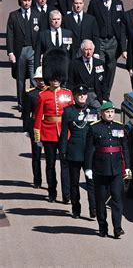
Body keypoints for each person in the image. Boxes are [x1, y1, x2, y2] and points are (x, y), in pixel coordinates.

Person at [33, 49, 74, 203]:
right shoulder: (43, 96)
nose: (55, 80)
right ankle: (52, 192)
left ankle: (67, 194)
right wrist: (38, 135)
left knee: (65, 165)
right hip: (48, 132)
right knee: (50, 165)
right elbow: (37, 117)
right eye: (53, 78)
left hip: (65, 133)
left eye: (58, 78)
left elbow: (72, 116)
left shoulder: (68, 94)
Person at [85, 101, 131, 239]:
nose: (110, 114)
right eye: (107, 112)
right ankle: (102, 226)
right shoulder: (94, 129)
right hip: (100, 169)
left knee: (117, 198)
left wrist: (127, 167)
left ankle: (117, 228)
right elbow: (89, 150)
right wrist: (88, 168)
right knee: (101, 200)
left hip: (116, 169)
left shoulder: (120, 127)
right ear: (101, 114)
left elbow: (125, 149)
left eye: (111, 112)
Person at [59, 85, 98, 219]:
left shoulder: (93, 112)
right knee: (74, 183)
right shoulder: (68, 112)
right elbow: (64, 133)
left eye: (84, 94)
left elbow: (97, 133)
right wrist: (63, 150)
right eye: (79, 94)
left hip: (89, 152)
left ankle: (93, 208)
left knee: (91, 182)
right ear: (74, 97)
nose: (82, 96)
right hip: (74, 152)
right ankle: (76, 208)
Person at [87, 0, 127, 99]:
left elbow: (122, 26)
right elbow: (90, 23)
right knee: (99, 68)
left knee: (110, 69)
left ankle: (106, 95)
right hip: (99, 41)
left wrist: (123, 47)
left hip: (113, 42)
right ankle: (98, 93)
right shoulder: (94, 3)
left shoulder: (118, 3)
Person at [6, 0, 44, 110]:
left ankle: (34, 103)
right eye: (25, 0)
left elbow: (41, 34)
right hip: (20, 51)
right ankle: (22, 104)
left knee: (34, 78)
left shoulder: (37, 14)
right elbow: (10, 35)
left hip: (33, 50)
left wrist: (41, 52)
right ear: (20, 1)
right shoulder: (14, 15)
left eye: (29, 0)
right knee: (20, 79)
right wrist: (10, 52)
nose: (27, 3)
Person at [22, 66, 48, 188]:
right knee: (36, 155)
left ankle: (50, 181)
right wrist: (26, 129)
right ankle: (37, 179)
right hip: (35, 126)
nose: (41, 82)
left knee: (49, 156)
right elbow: (26, 113)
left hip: (48, 126)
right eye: (39, 79)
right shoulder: (30, 94)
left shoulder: (51, 92)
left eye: (43, 79)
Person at [69, 40, 107, 109]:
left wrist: (105, 98)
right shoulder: (74, 64)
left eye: (90, 49)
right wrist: (72, 98)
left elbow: (103, 83)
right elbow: (70, 83)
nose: (89, 52)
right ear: (82, 50)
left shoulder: (99, 63)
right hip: (81, 96)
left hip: (96, 96)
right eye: (86, 50)